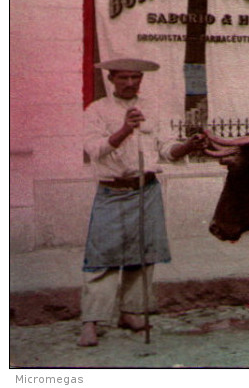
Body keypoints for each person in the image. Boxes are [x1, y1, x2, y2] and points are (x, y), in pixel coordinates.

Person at [78, 58, 207, 347]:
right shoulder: (97, 110)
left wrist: (187, 146)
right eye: (123, 77)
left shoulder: (154, 107)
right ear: (111, 79)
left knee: (144, 255)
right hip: (113, 191)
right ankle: (91, 322)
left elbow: (165, 149)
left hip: (146, 190)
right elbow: (94, 149)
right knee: (102, 256)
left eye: (135, 77)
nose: (130, 83)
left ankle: (131, 312)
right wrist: (124, 129)